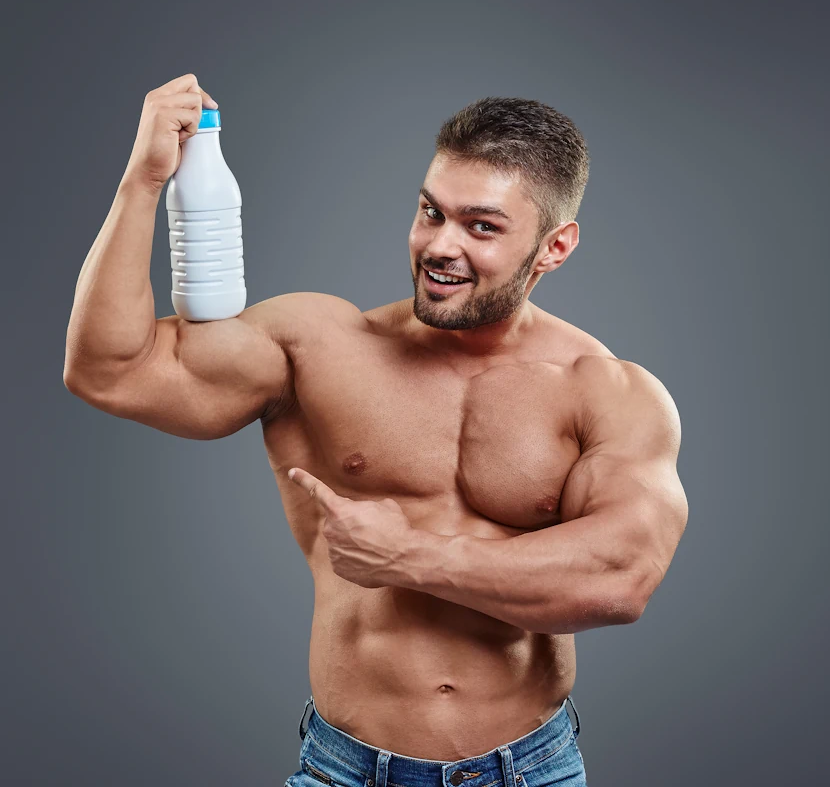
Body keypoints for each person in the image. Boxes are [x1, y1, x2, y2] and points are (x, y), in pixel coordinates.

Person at [64, 73, 688, 787]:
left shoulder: (605, 390)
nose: (441, 246)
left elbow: (621, 579)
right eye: (431, 212)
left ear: (554, 246)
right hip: (347, 770)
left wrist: (411, 558)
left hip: (531, 769)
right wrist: (144, 182)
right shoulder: (320, 347)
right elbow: (110, 370)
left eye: (482, 227)